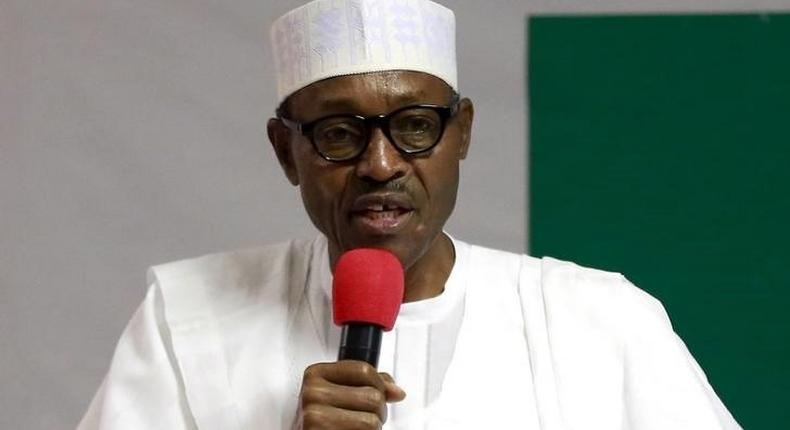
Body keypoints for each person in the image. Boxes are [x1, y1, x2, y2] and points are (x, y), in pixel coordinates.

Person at [78, 0, 742, 429]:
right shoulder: (189, 321)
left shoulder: (598, 322)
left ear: (464, 135)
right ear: (288, 151)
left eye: (416, 126)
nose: (380, 164)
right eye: (340, 132)